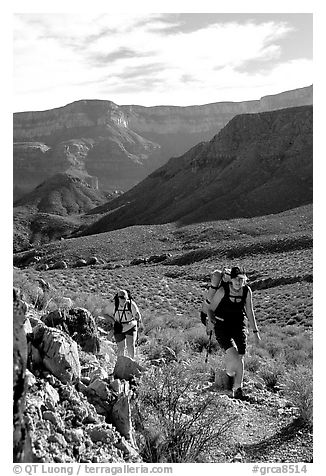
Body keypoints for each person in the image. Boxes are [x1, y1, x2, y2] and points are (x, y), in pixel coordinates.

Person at [206, 266, 261, 400]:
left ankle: (237, 388)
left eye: (241, 280)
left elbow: (249, 311)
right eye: (236, 279)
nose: (238, 282)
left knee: (240, 356)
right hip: (222, 326)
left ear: (245, 280)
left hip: (239, 325)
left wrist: (255, 332)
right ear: (231, 279)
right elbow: (210, 309)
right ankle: (231, 377)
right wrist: (211, 322)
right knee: (233, 354)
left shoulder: (246, 291)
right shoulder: (223, 290)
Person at [105, 289, 142, 359]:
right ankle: (120, 364)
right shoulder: (114, 305)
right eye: (122, 298)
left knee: (130, 345)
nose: (124, 300)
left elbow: (138, 317)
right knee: (121, 348)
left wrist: (137, 318)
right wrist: (113, 321)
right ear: (118, 298)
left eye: (125, 298)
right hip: (118, 327)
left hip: (130, 326)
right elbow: (104, 313)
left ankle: (131, 362)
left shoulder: (131, 304)